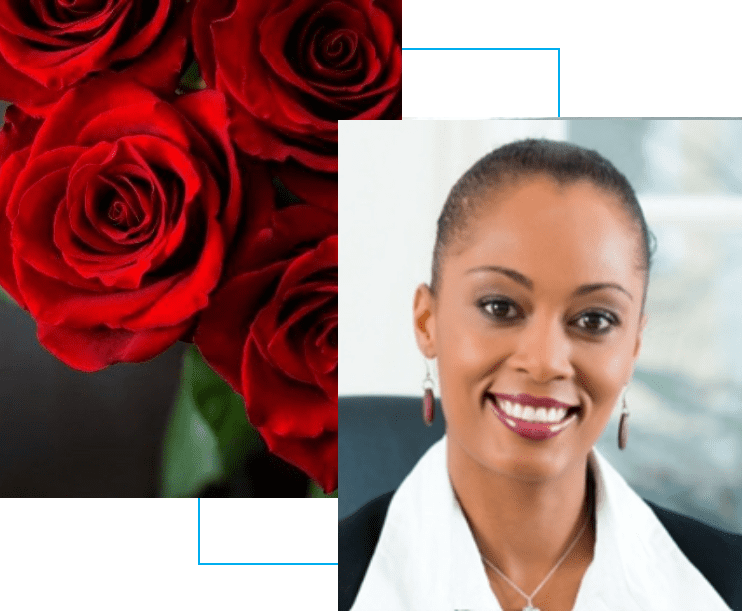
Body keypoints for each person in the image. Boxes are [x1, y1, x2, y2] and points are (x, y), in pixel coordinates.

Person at [339, 139, 742, 611]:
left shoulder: (726, 584)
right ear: (428, 322)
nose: (546, 360)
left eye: (594, 320)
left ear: (633, 347)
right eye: (500, 307)